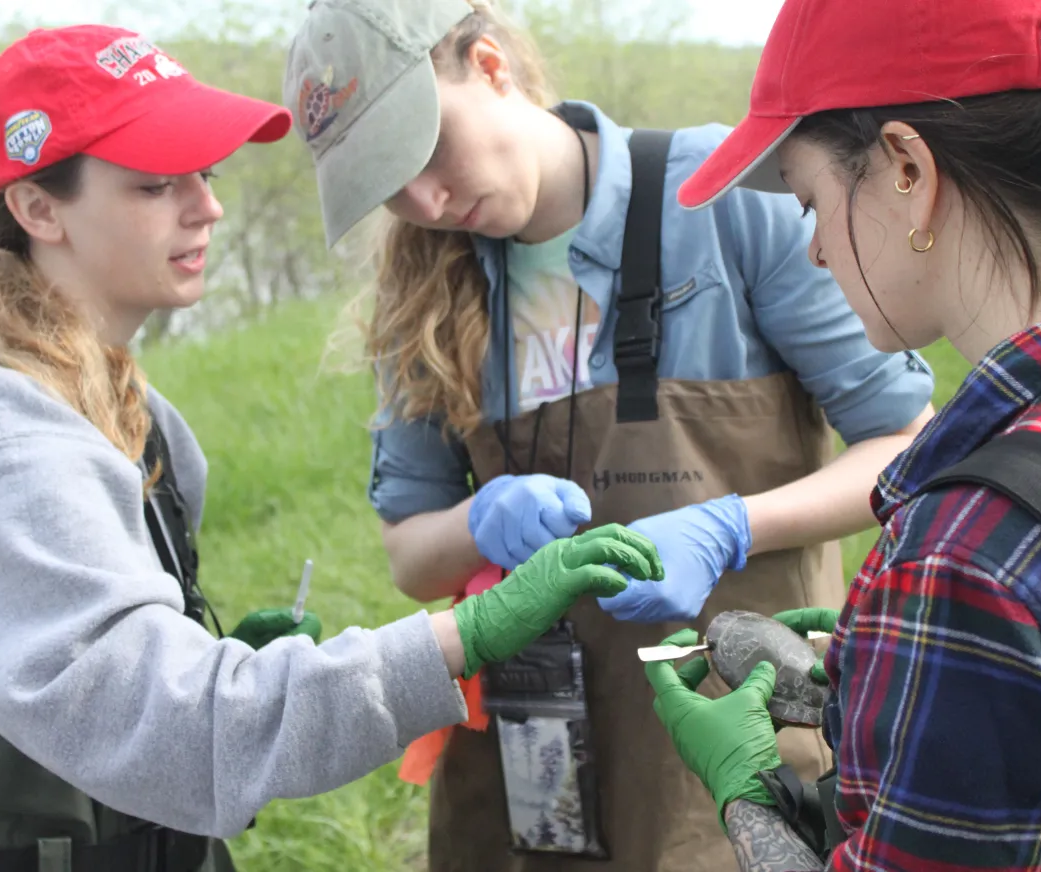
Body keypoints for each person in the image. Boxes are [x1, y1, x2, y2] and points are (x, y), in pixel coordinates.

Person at [0, 23, 666, 872]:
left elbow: (123, 702)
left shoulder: (138, 414)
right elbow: (185, 732)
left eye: (205, 175)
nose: (207, 207)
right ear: (37, 208)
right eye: (155, 185)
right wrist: (464, 637)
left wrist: (207, 657)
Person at [282, 1, 936, 869]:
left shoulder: (722, 195)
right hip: (525, 765)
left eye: (426, 152)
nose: (425, 200)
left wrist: (729, 525)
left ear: (488, 65)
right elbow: (411, 556)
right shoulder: (422, 296)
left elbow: (906, 452)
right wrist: (478, 524)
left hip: (723, 749)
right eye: (385, 183)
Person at [645, 0, 1041, 868]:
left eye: (810, 199)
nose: (816, 250)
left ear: (906, 169)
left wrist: (748, 804)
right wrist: (880, 670)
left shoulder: (967, 558)